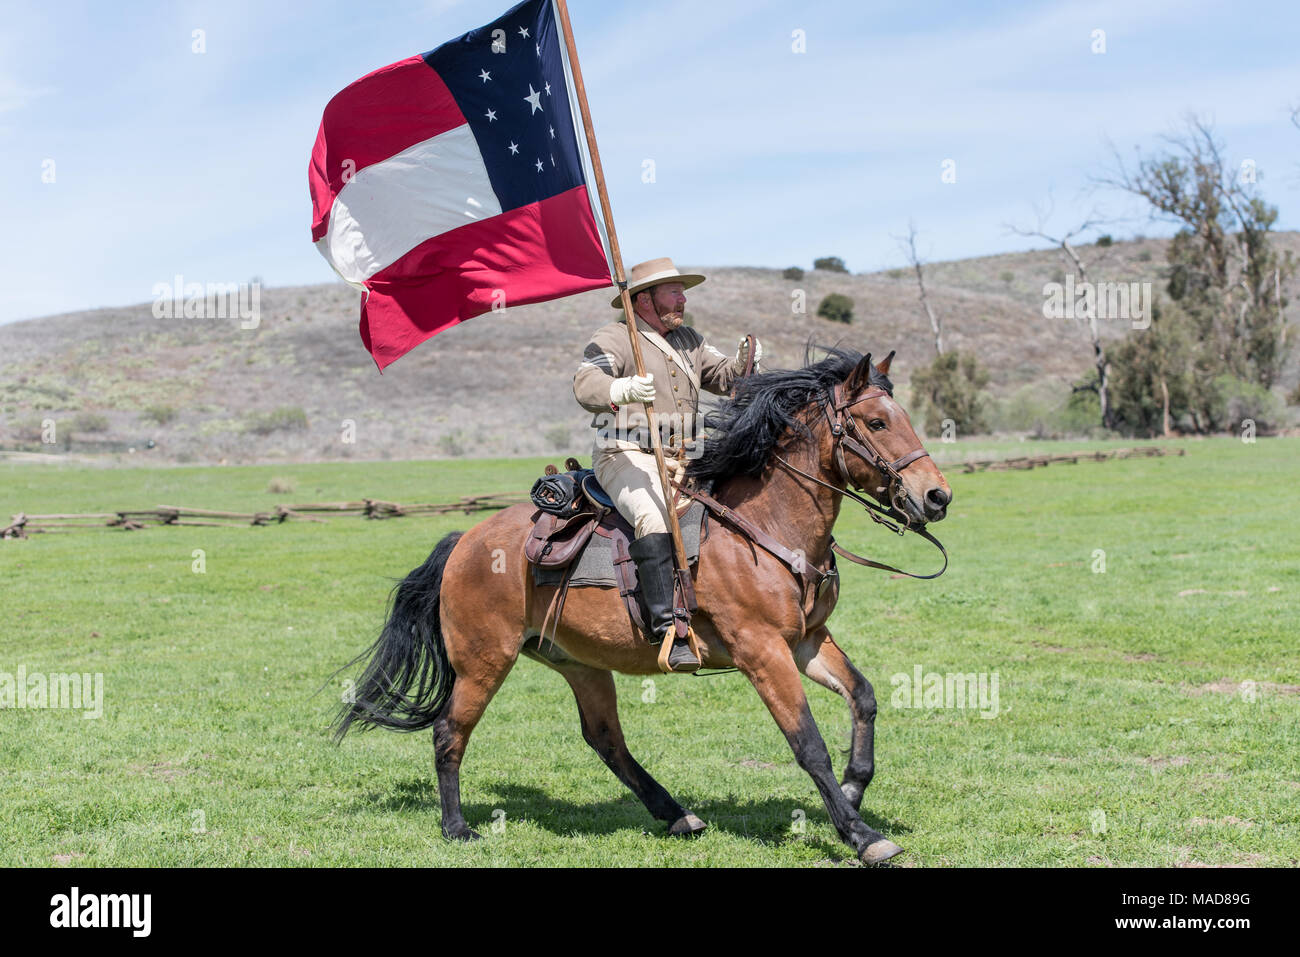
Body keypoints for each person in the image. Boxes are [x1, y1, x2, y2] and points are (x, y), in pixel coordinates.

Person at [573, 258, 761, 672]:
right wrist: (618, 388)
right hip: (625, 452)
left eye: (681, 290)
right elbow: (585, 383)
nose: (683, 298)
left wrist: (746, 360)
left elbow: (725, 376)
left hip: (687, 455)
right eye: (673, 291)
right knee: (654, 513)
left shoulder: (689, 339)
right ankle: (668, 628)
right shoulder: (615, 337)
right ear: (644, 300)